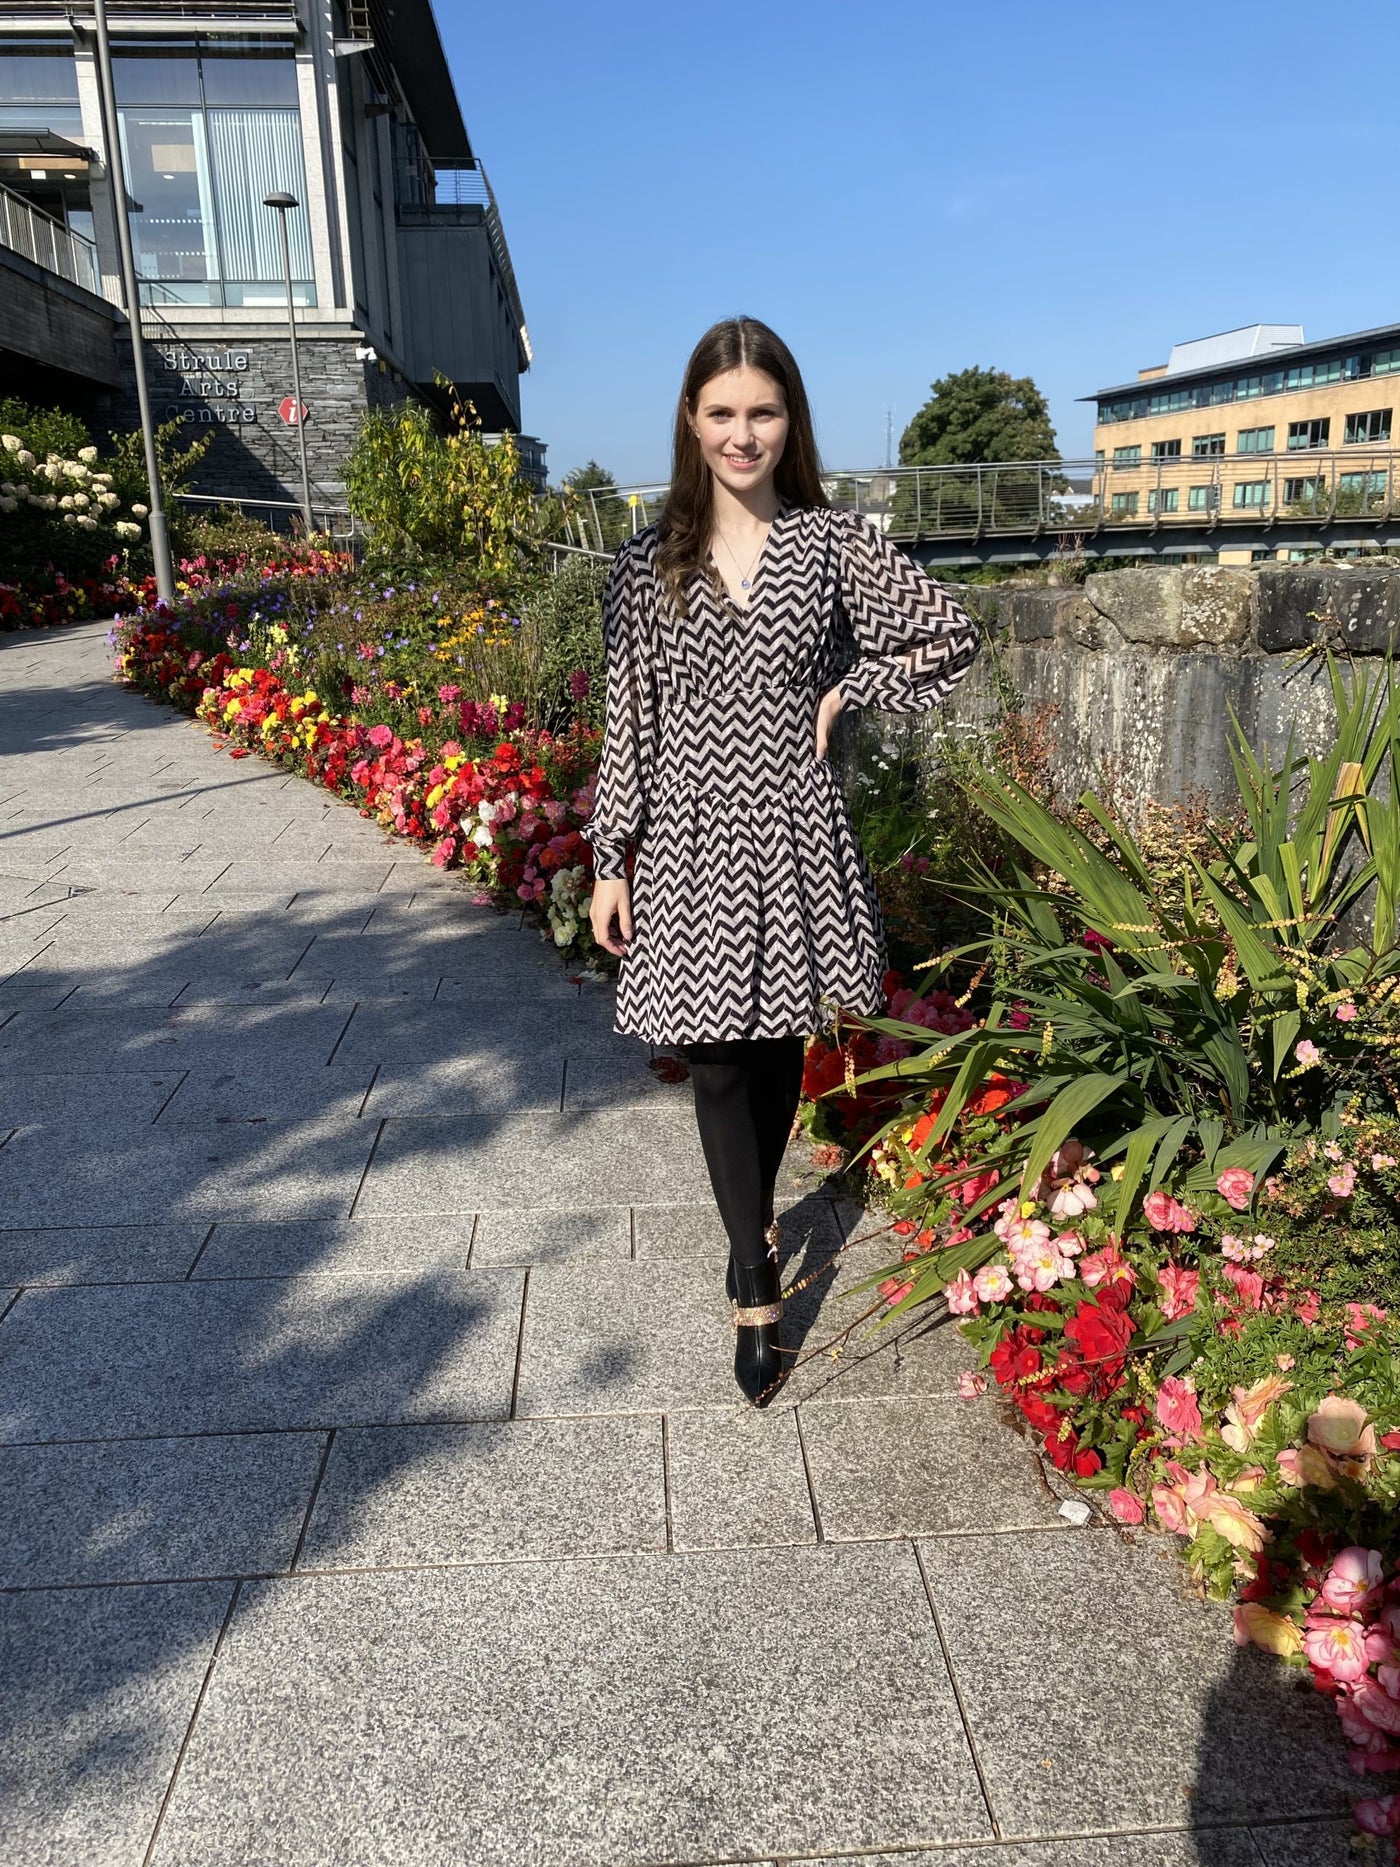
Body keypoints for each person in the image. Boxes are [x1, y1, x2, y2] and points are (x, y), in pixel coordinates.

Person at [584, 316, 981, 1407]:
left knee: (771, 1043)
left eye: (761, 411)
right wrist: (609, 855)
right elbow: (629, 717)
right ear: (689, 418)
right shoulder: (643, 561)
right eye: (721, 412)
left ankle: (747, 1210)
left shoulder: (832, 543)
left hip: (794, 821)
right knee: (713, 1052)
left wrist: (850, 690)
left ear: (788, 419)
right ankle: (754, 1276)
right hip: (684, 830)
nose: (741, 433)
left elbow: (947, 635)